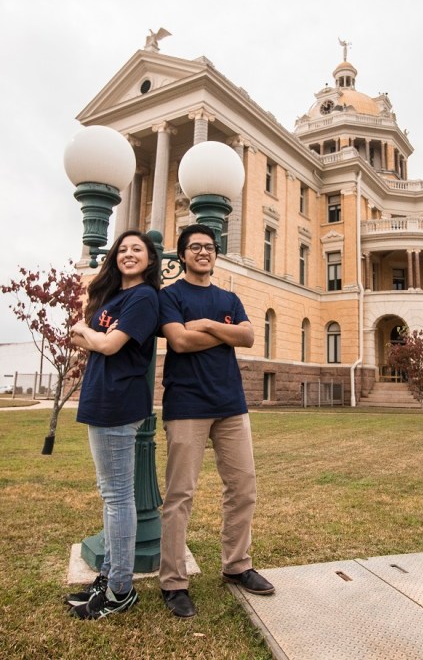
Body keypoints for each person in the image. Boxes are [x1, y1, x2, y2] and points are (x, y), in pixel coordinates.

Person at [158, 223, 274, 619]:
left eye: (209, 247)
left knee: (243, 488)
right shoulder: (170, 296)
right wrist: (228, 333)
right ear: (182, 255)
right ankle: (173, 582)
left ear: (216, 254)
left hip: (231, 405)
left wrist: (207, 325)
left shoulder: (229, 297)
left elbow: (249, 337)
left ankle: (237, 565)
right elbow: (179, 341)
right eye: (195, 247)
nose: (203, 252)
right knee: (180, 496)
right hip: (186, 405)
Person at [64, 230, 160, 620]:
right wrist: (93, 335)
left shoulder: (144, 297)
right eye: (122, 249)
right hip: (101, 397)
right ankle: (108, 577)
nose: (128, 254)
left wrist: (90, 333)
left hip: (119, 402)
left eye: (137, 249)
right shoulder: (113, 297)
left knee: (118, 498)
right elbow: (79, 339)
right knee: (111, 496)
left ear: (150, 259)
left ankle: (120, 590)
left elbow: (106, 345)